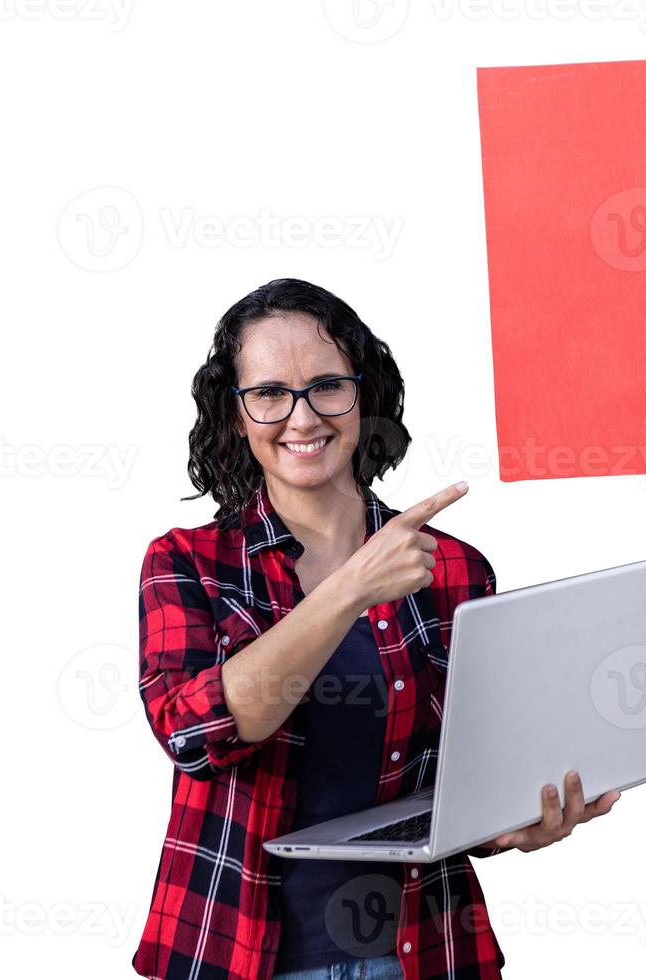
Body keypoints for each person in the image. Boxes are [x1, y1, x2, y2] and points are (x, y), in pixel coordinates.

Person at [132, 278, 618, 979]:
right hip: (237, 950)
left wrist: (512, 822)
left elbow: (459, 775)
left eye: (327, 385)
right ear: (235, 415)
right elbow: (196, 736)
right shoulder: (188, 563)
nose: (301, 417)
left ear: (365, 399)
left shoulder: (452, 570)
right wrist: (353, 584)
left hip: (423, 950)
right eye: (269, 393)